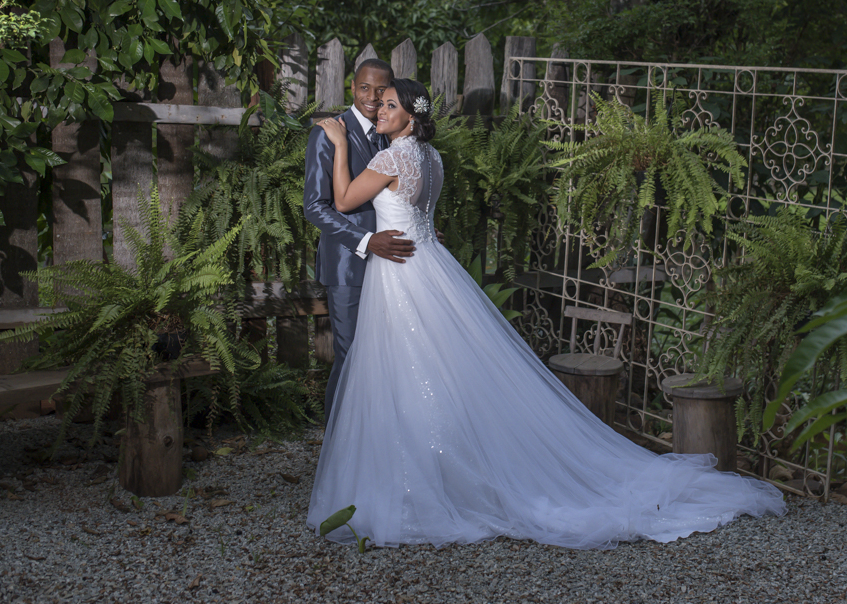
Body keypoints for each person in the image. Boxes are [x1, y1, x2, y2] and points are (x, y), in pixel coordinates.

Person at [306, 78, 786, 550]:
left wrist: (338, 143)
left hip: (402, 272)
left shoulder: (391, 156)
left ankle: (424, 481)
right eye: (380, 104)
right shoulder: (431, 158)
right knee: (433, 369)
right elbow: (423, 216)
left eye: (390, 105)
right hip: (429, 262)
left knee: (409, 370)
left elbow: (345, 200)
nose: (380, 111)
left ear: (411, 115)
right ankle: (429, 469)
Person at [302, 59, 416, 420]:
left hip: (393, 264)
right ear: (352, 87)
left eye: (381, 90)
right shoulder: (329, 132)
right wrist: (367, 240)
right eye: (365, 88)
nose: (372, 97)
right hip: (348, 264)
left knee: (385, 354)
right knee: (352, 356)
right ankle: (337, 440)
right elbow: (315, 207)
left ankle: (374, 435)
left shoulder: (389, 129)